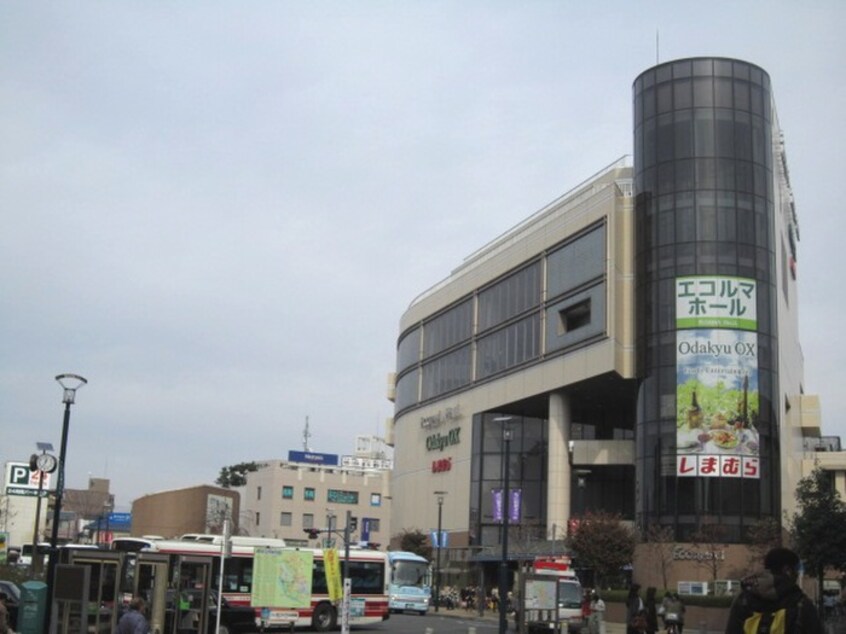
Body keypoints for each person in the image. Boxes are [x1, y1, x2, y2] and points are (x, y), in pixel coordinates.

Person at [725, 547, 823, 634]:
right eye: (796, 570)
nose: (797, 575)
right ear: (787, 570)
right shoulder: (801, 603)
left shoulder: (743, 599)